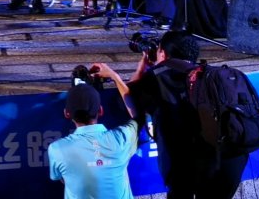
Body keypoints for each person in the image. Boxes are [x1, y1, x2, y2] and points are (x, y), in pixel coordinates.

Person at [93, 31, 250, 198]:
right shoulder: (208, 73)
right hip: (231, 161)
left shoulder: (159, 76)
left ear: (163, 53)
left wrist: (115, 76)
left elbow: (129, 103)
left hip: (187, 165)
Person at [48, 82, 138, 199]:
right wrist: (114, 77)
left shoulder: (56, 149)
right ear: (100, 110)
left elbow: (59, 177)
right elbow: (137, 116)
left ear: (66, 113)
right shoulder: (122, 137)